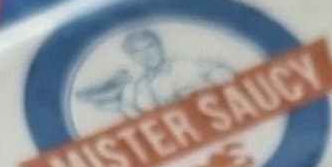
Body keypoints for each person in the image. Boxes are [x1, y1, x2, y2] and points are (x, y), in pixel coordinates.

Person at [75, 23, 234, 120]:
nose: (146, 54)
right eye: (137, 52)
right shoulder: (135, 91)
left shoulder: (190, 65)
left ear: (160, 46)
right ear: (132, 57)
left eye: (150, 46)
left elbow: (227, 76)